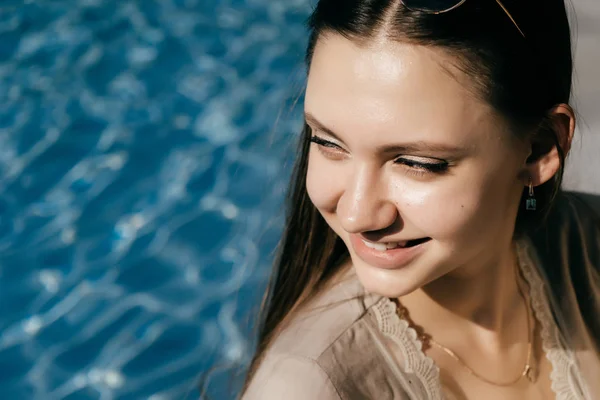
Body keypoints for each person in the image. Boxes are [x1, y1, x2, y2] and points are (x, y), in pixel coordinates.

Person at [239, 0, 600, 398]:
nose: (356, 214)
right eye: (327, 143)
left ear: (538, 149)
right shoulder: (304, 387)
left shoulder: (588, 247)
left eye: (415, 163)